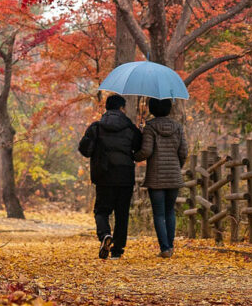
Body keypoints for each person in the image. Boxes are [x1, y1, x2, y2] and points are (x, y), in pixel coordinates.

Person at [78, 94, 142, 259]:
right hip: (125, 176)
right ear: (122, 108)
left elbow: (85, 150)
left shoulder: (96, 127)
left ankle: (105, 235)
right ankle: (117, 250)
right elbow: (139, 147)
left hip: (104, 175)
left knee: (101, 211)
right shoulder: (130, 128)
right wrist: (140, 131)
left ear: (106, 108)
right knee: (122, 214)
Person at [135, 98, 188, 258]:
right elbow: (183, 152)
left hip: (156, 177)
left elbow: (146, 152)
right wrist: (177, 167)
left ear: (152, 108)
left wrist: (134, 156)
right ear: (168, 109)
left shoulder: (150, 127)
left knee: (159, 213)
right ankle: (170, 247)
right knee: (169, 211)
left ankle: (164, 248)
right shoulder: (177, 127)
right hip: (173, 176)